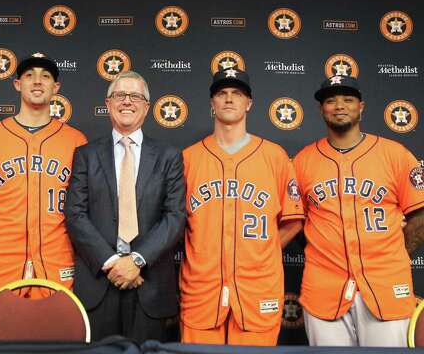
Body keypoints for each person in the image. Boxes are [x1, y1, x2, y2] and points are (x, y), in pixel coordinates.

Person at [294, 75, 424, 347]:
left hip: (386, 285)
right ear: (321, 109)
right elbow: (295, 222)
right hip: (323, 287)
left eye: (348, 99)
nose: (339, 105)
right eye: (331, 100)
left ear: (361, 107)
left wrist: (394, 252)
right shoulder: (303, 161)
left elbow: (420, 214)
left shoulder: (395, 154)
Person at [179, 69, 304, 345]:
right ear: (211, 103)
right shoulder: (189, 159)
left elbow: (293, 220)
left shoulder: (275, 157)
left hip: (257, 290)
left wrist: (264, 253)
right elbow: (172, 223)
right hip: (202, 289)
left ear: (249, 103)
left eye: (237, 94)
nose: (228, 99)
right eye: (221, 94)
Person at [65, 70, 186, 342]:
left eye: (135, 96)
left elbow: (175, 217)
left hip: (149, 285)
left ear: (147, 106)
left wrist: (137, 261)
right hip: (99, 284)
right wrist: (112, 263)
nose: (127, 101)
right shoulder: (86, 154)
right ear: (108, 104)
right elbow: (75, 214)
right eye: (119, 95)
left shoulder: (169, 157)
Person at [0, 53, 86, 316]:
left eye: (45, 76)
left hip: (57, 258)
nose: (37, 81)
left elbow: (84, 207)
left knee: (54, 337)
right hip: (0, 261)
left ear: (56, 88)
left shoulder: (76, 141)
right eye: (29, 75)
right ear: (17, 84)